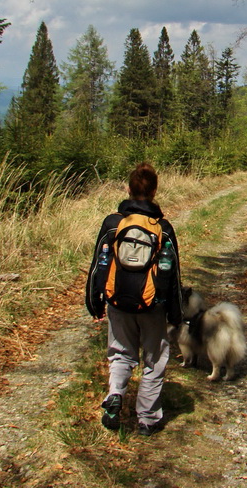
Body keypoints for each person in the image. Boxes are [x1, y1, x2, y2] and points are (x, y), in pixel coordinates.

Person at [91, 163, 182, 436]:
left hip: (117, 301)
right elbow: (174, 275)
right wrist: (176, 314)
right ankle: (147, 419)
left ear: (128, 190)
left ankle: (116, 395)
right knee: (154, 359)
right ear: (154, 191)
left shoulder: (112, 223)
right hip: (153, 305)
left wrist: (94, 300)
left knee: (120, 353)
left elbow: (98, 264)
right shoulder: (163, 228)